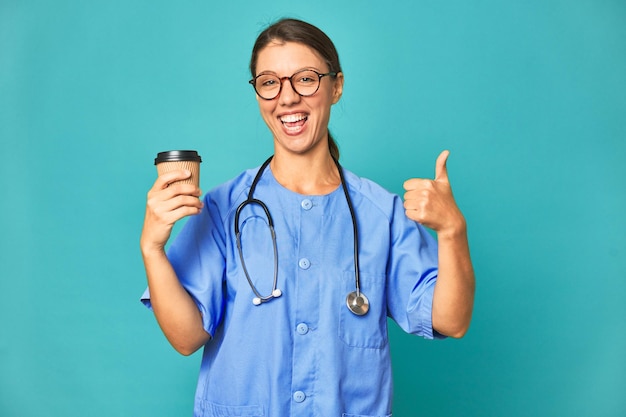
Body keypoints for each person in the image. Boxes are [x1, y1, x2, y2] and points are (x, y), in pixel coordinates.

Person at [140, 17, 475, 417]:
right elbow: (186, 337)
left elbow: (450, 320)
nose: (287, 98)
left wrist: (453, 231)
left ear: (336, 86)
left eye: (305, 79)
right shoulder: (223, 208)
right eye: (269, 82)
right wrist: (153, 248)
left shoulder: (380, 213)